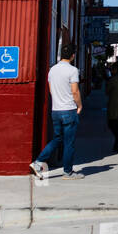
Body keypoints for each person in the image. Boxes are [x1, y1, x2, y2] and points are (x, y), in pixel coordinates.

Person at [32, 42, 84, 180]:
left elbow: (50, 90)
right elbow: (75, 91)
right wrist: (79, 105)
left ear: (61, 55)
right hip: (69, 110)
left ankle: (38, 162)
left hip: (56, 110)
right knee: (69, 143)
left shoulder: (52, 70)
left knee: (56, 139)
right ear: (73, 56)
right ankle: (68, 172)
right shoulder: (73, 70)